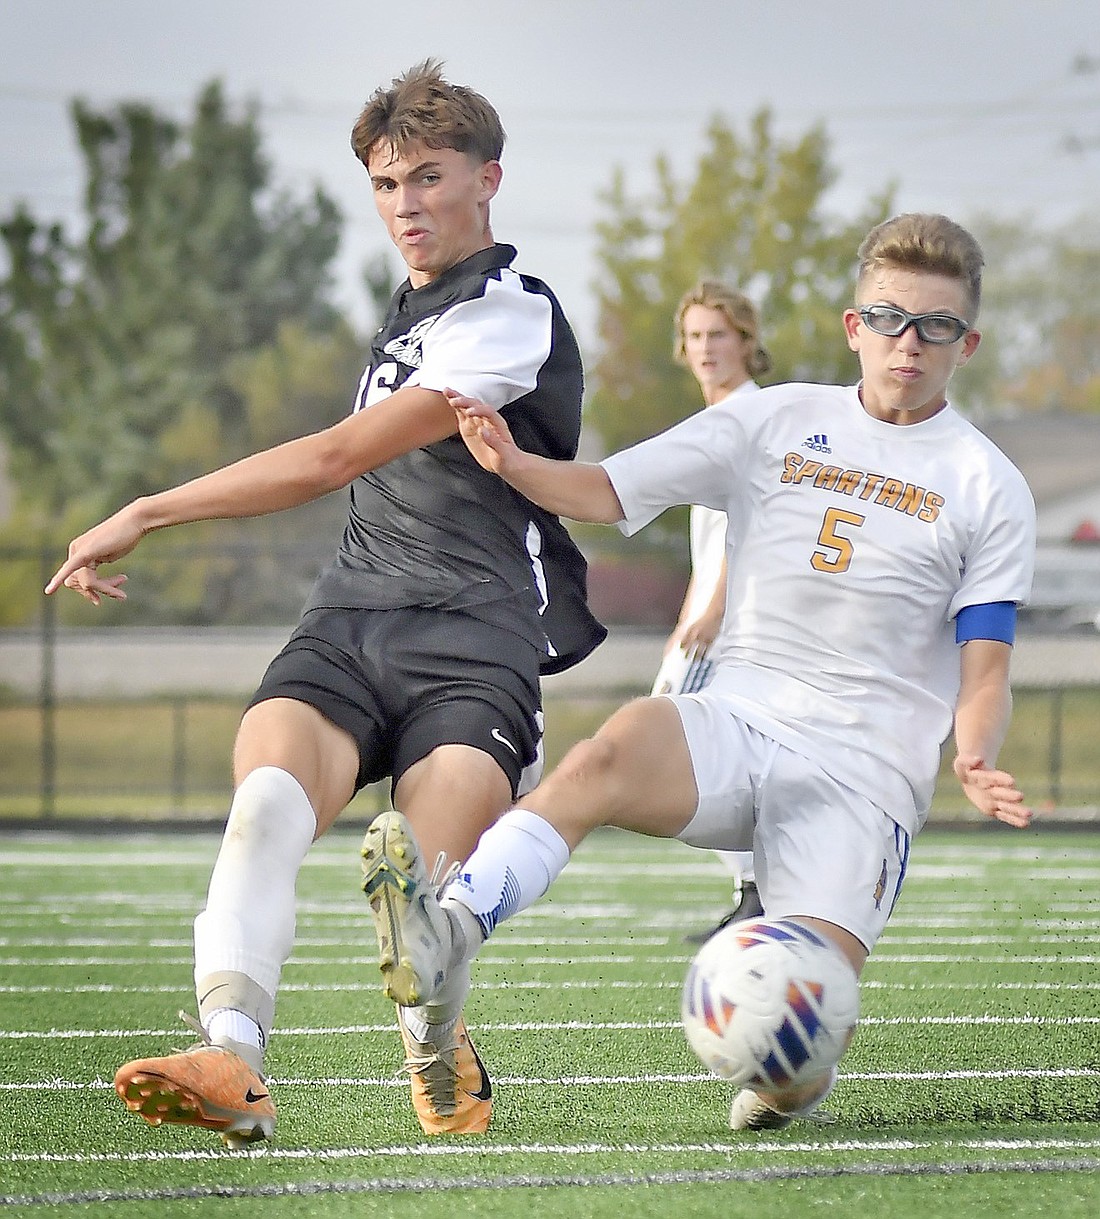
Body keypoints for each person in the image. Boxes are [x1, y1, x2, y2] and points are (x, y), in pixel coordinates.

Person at [359, 212, 1037, 1132]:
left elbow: (986, 664)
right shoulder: (772, 417)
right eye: (888, 319)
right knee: (617, 744)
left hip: (864, 775)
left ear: (969, 343)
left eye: (935, 327)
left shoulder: (988, 482)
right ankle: (451, 925)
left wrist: (974, 751)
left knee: (796, 1053)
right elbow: (608, 489)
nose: (907, 344)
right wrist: (513, 463)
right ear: (854, 326)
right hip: (744, 714)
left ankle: (794, 1075)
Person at [44, 59, 604, 1146]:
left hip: (473, 639)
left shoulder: (511, 314)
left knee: (426, 901)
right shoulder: (404, 316)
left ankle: (436, 1045)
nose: (405, 205)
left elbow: (336, 456)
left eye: (428, 177)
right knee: (262, 809)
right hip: (349, 621)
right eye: (386, 184)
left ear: (489, 179)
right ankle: (231, 1062)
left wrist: (148, 509)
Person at [650, 281, 771, 940]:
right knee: (705, 761)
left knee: (671, 753)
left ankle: (767, 882)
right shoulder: (716, 420)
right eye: (695, 336)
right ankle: (757, 887)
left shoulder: (749, 419)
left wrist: (716, 607)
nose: (705, 349)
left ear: (747, 342)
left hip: (731, 627)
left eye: (718, 335)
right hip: (705, 622)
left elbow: (752, 526)